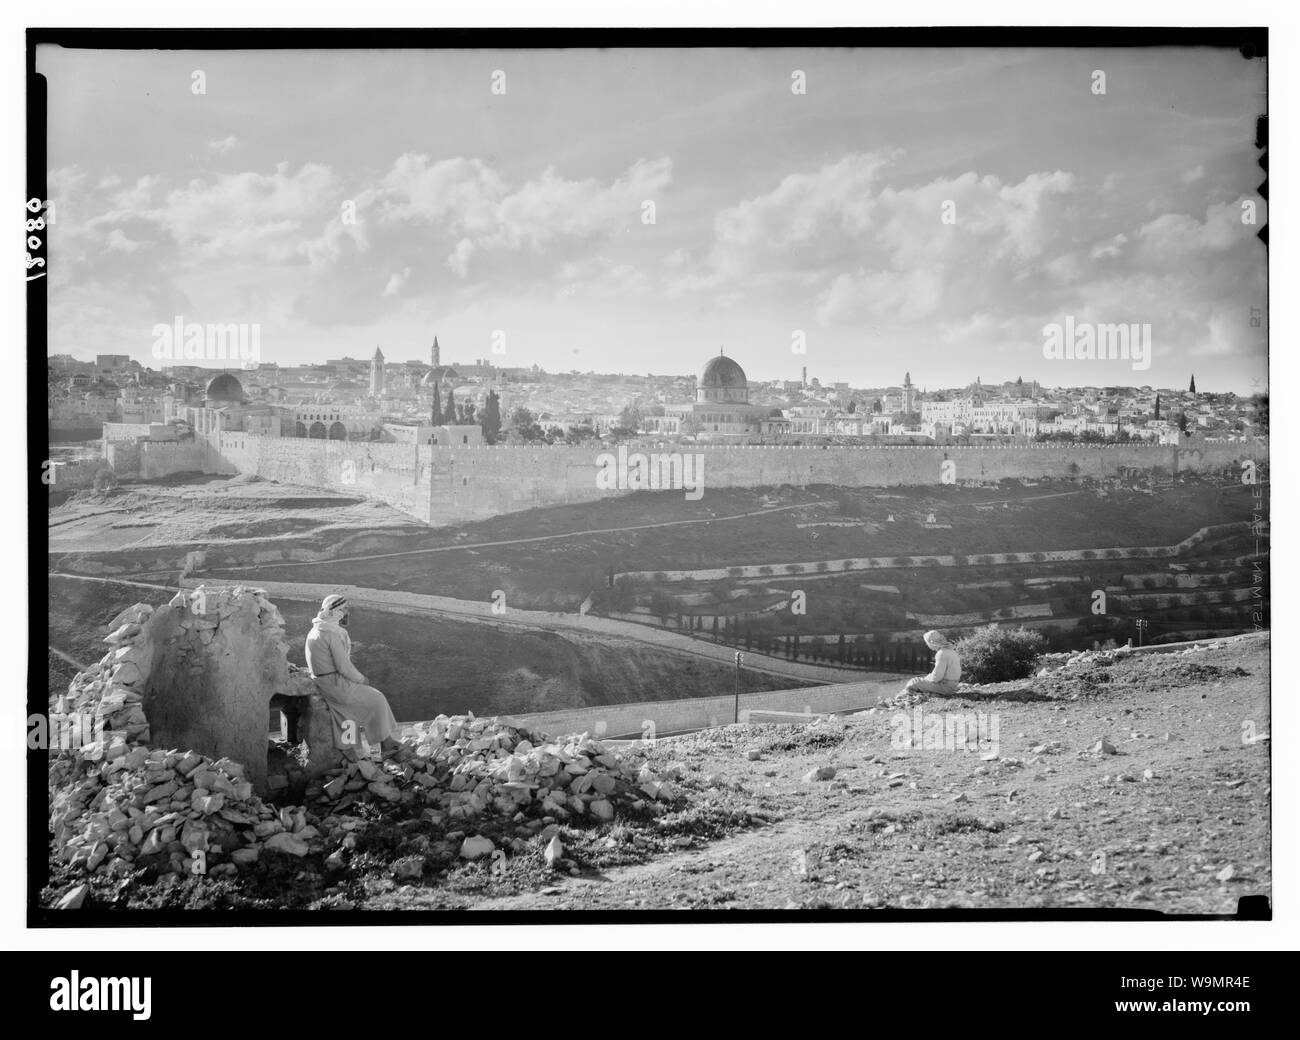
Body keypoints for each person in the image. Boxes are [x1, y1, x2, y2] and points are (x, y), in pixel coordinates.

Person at [305, 594, 410, 761]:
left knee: (353, 709)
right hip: (336, 684)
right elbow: (343, 667)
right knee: (377, 699)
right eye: (344, 609)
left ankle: (354, 752)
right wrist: (362, 680)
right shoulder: (330, 633)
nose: (347, 613)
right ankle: (386, 744)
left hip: (326, 682)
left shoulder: (317, 630)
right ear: (336, 611)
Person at [903, 630, 962, 696]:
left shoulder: (941, 653)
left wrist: (925, 680)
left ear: (932, 643)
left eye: (927, 643)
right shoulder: (950, 650)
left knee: (914, 682)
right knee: (920, 680)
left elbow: (937, 677)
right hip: (952, 686)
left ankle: (902, 697)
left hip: (945, 688)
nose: (927, 645)